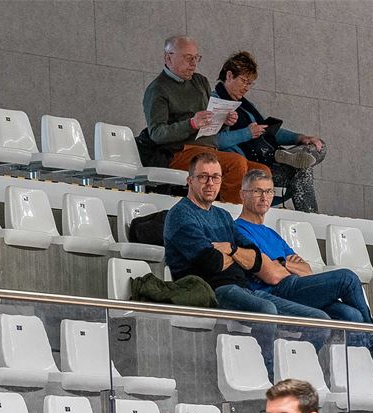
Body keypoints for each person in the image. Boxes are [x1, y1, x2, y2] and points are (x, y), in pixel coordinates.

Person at [164, 153, 336, 363]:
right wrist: (238, 255)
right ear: (189, 180)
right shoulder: (181, 214)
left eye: (216, 177)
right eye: (203, 177)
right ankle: (267, 373)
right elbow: (211, 262)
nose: (210, 183)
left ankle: (294, 367)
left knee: (320, 321)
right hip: (211, 291)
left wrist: (230, 249)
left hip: (244, 289)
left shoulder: (222, 216)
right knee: (266, 310)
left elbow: (255, 257)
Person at [233, 169, 373, 341]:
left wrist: (281, 263)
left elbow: (306, 271)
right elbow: (271, 276)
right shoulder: (239, 229)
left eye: (269, 191)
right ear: (243, 195)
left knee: (351, 314)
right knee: (346, 278)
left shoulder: (272, 234)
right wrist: (283, 267)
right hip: (274, 293)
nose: (264, 197)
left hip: (297, 287)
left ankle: (353, 355)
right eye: (257, 191)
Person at [142, 35, 264, 204]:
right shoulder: (158, 89)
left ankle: (252, 218)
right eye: (188, 58)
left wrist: (223, 121)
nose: (193, 63)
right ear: (168, 58)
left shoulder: (200, 82)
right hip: (179, 151)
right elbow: (157, 134)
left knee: (261, 173)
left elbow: (209, 121)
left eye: (196, 58)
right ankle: (231, 217)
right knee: (236, 163)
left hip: (208, 148)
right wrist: (191, 123)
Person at [211, 51, 325, 213]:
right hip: (248, 165)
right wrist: (247, 133)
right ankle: (312, 220)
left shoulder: (246, 106)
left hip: (267, 159)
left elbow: (266, 132)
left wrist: (299, 138)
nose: (246, 88)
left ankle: (287, 156)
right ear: (229, 76)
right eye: (244, 81)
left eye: (250, 83)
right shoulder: (216, 102)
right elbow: (214, 141)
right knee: (302, 171)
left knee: (320, 147)